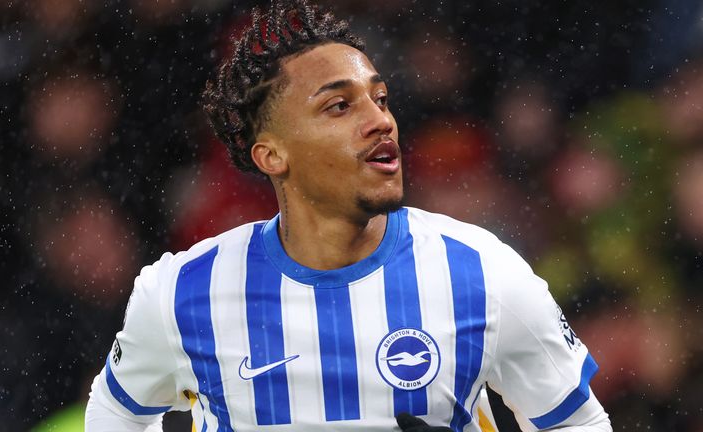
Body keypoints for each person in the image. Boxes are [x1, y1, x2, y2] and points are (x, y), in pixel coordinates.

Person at [84, 1, 612, 431]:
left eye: (380, 98)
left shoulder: (482, 273)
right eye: (339, 106)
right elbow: (115, 413)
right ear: (272, 154)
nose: (380, 120)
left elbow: (578, 422)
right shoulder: (181, 293)